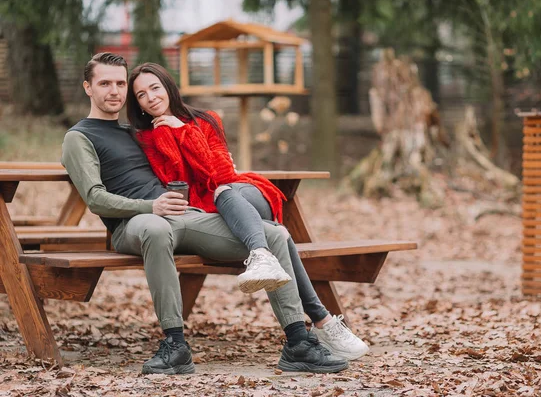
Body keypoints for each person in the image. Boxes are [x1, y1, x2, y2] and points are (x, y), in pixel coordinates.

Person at [62, 52, 351, 375]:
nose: (114, 91)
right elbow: (95, 199)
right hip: (135, 224)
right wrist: (150, 207)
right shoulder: (79, 137)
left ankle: (298, 342)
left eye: (119, 83)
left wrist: (188, 136)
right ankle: (175, 345)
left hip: (184, 216)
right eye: (104, 83)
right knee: (156, 229)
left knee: (273, 235)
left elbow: (198, 165)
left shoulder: (139, 131)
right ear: (88, 87)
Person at [126, 62, 370, 361]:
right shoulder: (147, 138)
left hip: (243, 193)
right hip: (206, 210)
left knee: (225, 191)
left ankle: (265, 260)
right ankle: (322, 319)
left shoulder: (206, 119)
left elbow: (220, 174)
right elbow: (176, 180)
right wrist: (169, 136)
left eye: (154, 88)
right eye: (140, 95)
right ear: (136, 103)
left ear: (168, 87)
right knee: (278, 234)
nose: (150, 98)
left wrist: (183, 131)